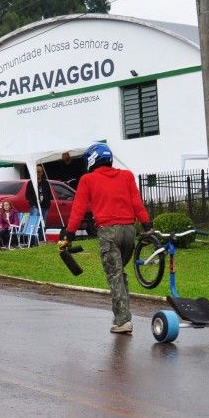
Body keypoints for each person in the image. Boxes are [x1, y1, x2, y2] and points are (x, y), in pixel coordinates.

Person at [59, 143, 152, 335]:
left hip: (108, 232)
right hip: (129, 231)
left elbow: (78, 210)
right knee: (119, 273)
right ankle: (121, 314)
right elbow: (137, 202)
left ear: (92, 160)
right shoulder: (126, 176)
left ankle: (123, 321)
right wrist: (147, 226)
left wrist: (68, 236)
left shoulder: (87, 180)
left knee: (114, 275)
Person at [25, 164, 53, 230]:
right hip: (35, 206)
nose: (38, 173)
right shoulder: (30, 183)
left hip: (45, 207)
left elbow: (49, 194)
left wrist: (47, 202)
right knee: (34, 225)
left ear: (42, 173)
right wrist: (34, 202)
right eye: (36, 171)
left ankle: (42, 239)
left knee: (43, 224)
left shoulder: (46, 182)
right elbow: (27, 195)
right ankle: (34, 240)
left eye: (39, 172)